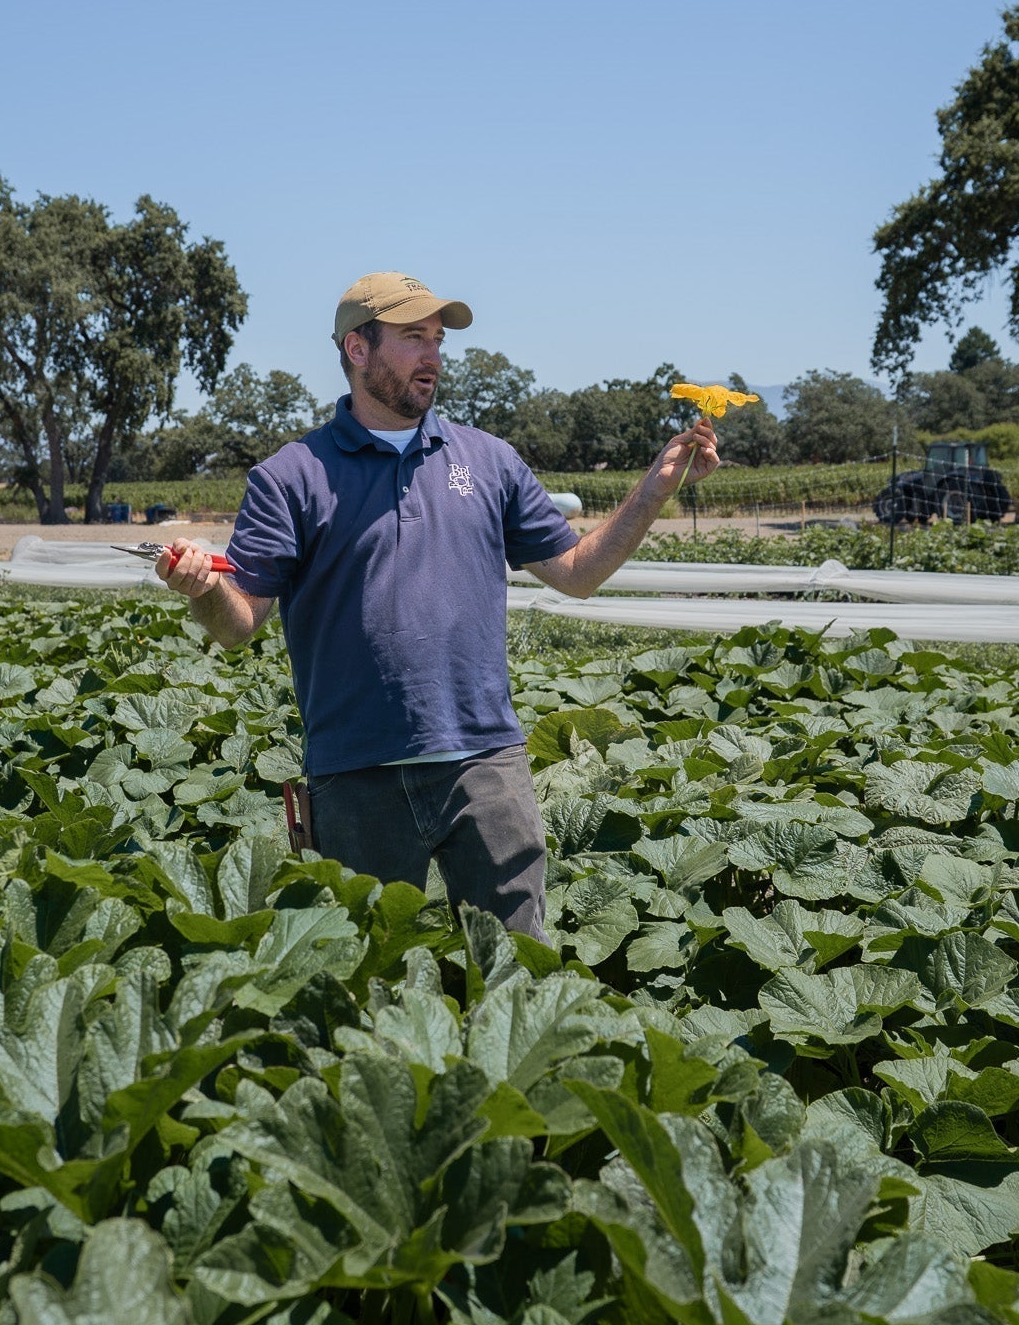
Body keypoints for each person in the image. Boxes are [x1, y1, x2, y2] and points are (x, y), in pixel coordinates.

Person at [160, 271, 719, 938]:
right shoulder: (292, 476)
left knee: (516, 973)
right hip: (356, 771)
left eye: (436, 339)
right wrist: (204, 589)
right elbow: (239, 623)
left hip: (485, 762)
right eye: (411, 338)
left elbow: (576, 572)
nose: (431, 355)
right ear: (357, 350)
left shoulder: (488, 461)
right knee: (364, 976)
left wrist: (655, 488)